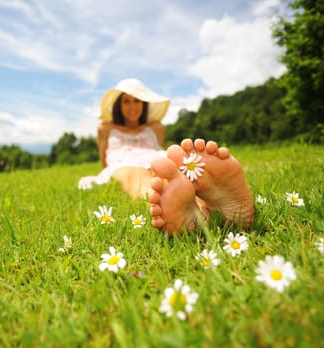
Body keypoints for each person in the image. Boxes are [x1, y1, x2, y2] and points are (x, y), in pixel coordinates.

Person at [78, 78, 254, 235]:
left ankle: (208, 207)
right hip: (122, 163)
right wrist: (106, 175)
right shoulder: (105, 128)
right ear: (119, 105)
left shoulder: (156, 127)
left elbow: (158, 148)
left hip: (154, 158)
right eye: (126, 101)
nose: (133, 106)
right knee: (138, 177)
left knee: (171, 174)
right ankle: (189, 212)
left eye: (137, 100)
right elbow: (104, 159)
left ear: (144, 103)